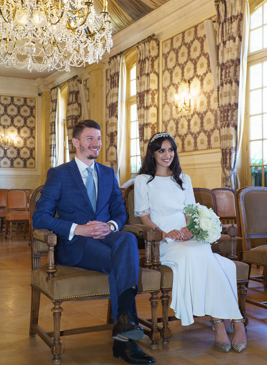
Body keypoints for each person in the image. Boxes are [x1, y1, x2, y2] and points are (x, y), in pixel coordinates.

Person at [33, 119, 155, 365]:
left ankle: (124, 325)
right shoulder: (59, 174)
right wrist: (79, 229)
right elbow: (40, 217)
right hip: (75, 245)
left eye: (98, 139)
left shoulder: (108, 173)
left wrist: (110, 226)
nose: (96, 144)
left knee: (127, 239)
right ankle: (125, 337)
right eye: (90, 138)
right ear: (76, 142)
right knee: (120, 259)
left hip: (106, 237)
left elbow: (120, 213)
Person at [134, 132, 247, 353]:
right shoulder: (143, 180)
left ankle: (226, 323)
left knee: (212, 259)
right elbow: (144, 217)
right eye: (161, 150)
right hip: (163, 241)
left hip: (188, 237)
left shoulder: (183, 179)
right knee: (209, 260)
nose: (167, 155)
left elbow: (190, 212)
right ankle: (230, 322)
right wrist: (166, 233)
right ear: (153, 154)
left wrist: (188, 229)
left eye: (170, 150)